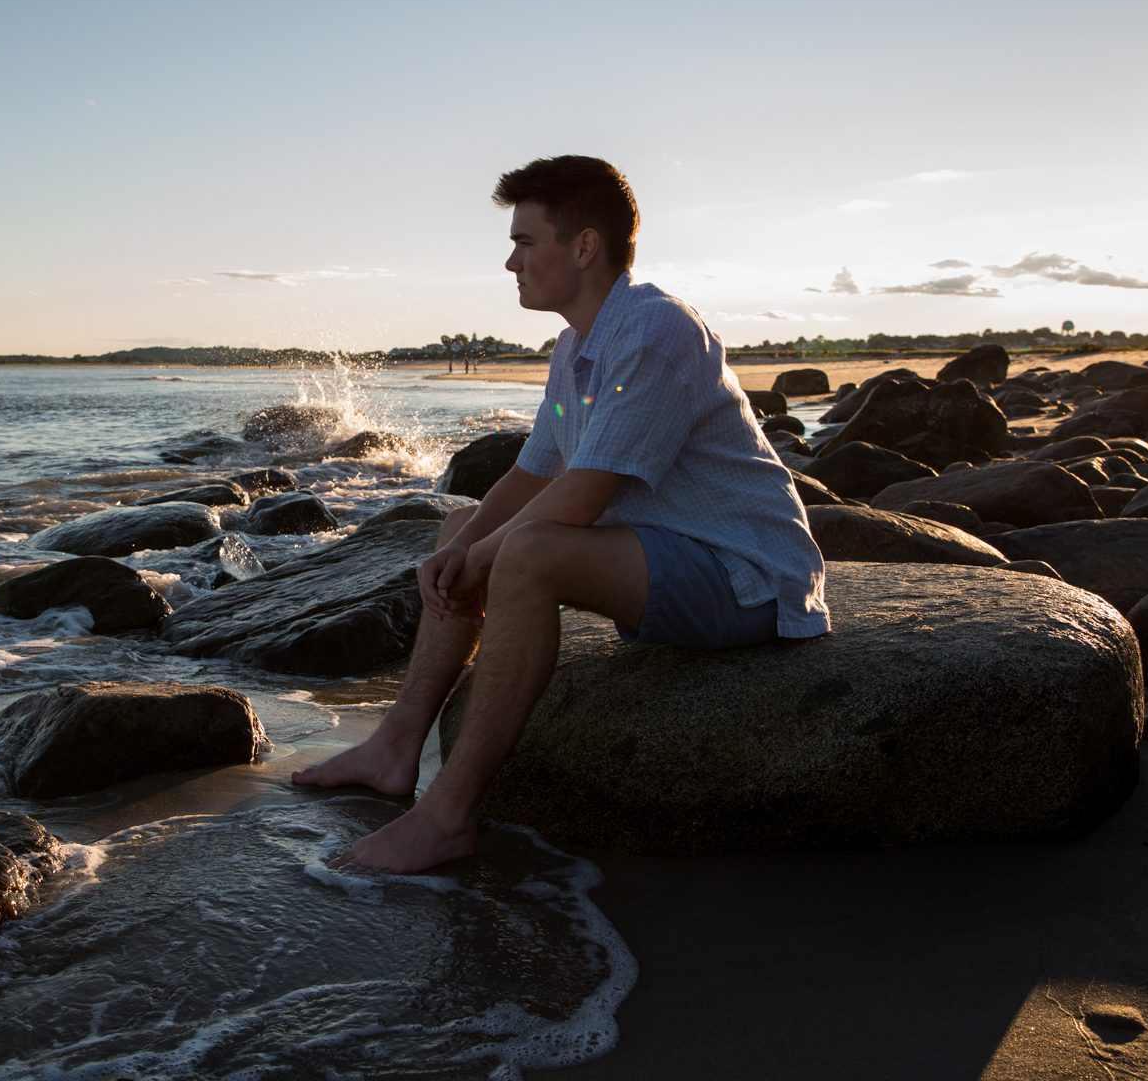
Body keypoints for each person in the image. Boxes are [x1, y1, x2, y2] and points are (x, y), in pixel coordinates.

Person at [293, 154, 830, 873]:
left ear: (583, 246)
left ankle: (447, 816)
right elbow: (530, 475)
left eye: (524, 241)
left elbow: (583, 496)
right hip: (668, 550)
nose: (510, 261)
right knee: (462, 527)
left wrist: (483, 561)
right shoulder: (579, 342)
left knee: (526, 553)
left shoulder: (655, 330)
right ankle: (395, 746)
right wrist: (456, 550)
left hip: (747, 575)